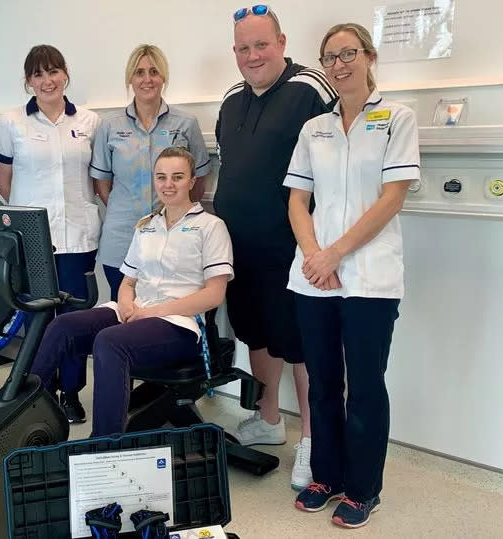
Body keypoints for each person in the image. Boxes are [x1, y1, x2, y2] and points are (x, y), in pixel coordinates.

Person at [286, 23, 419, 528]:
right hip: (314, 278)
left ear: (368, 56)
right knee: (321, 383)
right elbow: (298, 200)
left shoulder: (396, 118)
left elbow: (392, 198)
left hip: (369, 279)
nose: (338, 65)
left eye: (347, 54)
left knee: (364, 385)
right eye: (328, 57)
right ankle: (327, 475)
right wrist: (315, 256)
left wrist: (334, 254)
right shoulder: (314, 128)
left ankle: (364, 488)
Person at [214, 4, 337, 490]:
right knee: (256, 334)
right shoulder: (230, 99)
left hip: (295, 248)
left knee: (302, 343)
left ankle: (312, 437)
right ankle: (268, 419)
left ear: (282, 43)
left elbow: (338, 162)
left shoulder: (310, 90)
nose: (253, 55)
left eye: (261, 44)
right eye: (244, 48)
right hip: (240, 248)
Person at [31, 147, 233, 436]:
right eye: (161, 177)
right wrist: (127, 307)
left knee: (110, 342)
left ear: (191, 181)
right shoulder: (146, 226)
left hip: (181, 324)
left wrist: (152, 313)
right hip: (137, 311)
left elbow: (214, 295)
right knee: (62, 326)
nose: (168, 184)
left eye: (177, 177)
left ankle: (104, 446)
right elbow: (128, 281)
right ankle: (28, 415)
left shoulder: (211, 227)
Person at [0, 44, 100, 423]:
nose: (47, 80)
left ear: (65, 74)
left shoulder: (89, 121)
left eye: (53, 71)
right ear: (28, 81)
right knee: (41, 318)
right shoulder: (11, 123)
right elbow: (2, 180)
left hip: (78, 238)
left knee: (73, 319)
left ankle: (70, 393)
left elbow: (97, 177)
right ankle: (39, 390)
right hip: (34, 241)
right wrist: (28, 215)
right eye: (38, 74)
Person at [91, 44, 211, 301]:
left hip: (173, 233)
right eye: (139, 72)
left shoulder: (185, 123)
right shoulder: (110, 127)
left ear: (163, 77)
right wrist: (126, 207)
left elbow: (198, 178)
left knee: (167, 309)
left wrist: (175, 210)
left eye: (154, 72)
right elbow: (102, 183)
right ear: (130, 79)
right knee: (122, 309)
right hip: (121, 235)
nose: (147, 79)